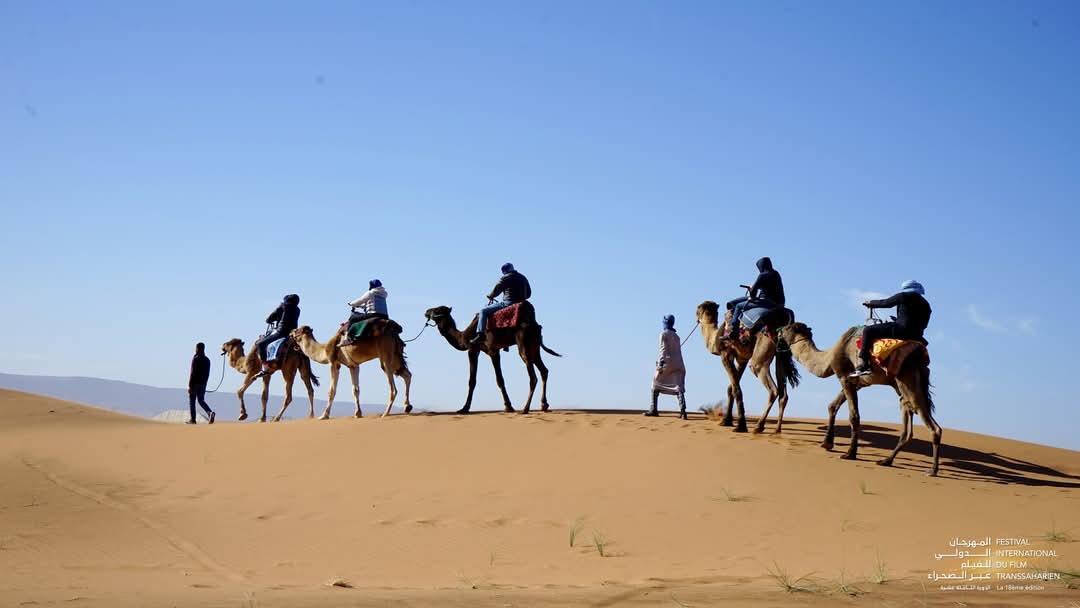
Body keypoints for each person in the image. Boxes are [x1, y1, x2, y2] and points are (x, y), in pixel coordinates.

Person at [851, 280, 932, 377]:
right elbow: (924, 324)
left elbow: (885, 303)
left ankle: (864, 365)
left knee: (868, 330)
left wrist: (871, 303)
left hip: (900, 331)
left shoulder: (903, 296)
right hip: (916, 336)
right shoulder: (926, 304)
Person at [725, 256, 786, 340]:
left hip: (767, 302)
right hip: (780, 302)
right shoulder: (775, 273)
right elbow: (768, 287)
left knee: (738, 306)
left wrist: (751, 289)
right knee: (746, 298)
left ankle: (734, 332)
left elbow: (753, 293)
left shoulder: (762, 275)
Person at [471, 263, 531, 344]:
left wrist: (491, 295)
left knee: (483, 311)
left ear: (504, 271)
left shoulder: (505, 277)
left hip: (508, 303)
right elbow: (529, 294)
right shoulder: (523, 277)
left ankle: (480, 334)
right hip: (522, 302)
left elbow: (496, 290)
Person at [644, 315, 687, 419]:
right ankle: (683, 412)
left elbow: (663, 350)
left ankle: (653, 409)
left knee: (655, 384)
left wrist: (661, 364)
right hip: (679, 364)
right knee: (678, 387)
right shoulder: (677, 336)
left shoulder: (663, 334)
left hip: (668, 363)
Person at [255, 294, 300, 377]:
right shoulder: (297, 309)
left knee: (260, 344)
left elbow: (270, 318)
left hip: (281, 332)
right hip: (292, 333)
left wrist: (270, 320)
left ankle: (265, 368)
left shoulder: (283, 306)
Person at [187, 342, 216, 424]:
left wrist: (190, 385)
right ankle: (210, 413)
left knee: (192, 400)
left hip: (194, 383)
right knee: (201, 400)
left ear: (197, 349)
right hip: (203, 384)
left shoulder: (195, 359)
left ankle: (193, 420)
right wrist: (205, 384)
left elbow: (192, 373)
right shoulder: (207, 360)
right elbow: (208, 374)